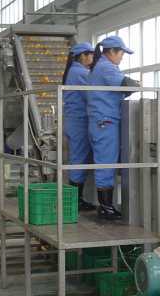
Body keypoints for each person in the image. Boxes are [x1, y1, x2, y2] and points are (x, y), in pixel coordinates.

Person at [87, 36, 140, 220]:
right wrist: (137, 84)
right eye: (121, 53)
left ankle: (107, 206)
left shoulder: (103, 66)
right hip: (105, 121)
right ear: (111, 51)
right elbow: (125, 84)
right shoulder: (106, 67)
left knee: (106, 161)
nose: (122, 57)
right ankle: (105, 207)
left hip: (104, 120)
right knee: (106, 162)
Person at [62, 42, 96, 211]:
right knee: (78, 159)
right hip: (78, 122)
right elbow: (92, 94)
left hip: (74, 120)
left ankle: (76, 199)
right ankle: (75, 201)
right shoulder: (80, 72)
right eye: (91, 54)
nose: (93, 57)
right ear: (83, 56)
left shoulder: (74, 71)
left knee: (78, 158)